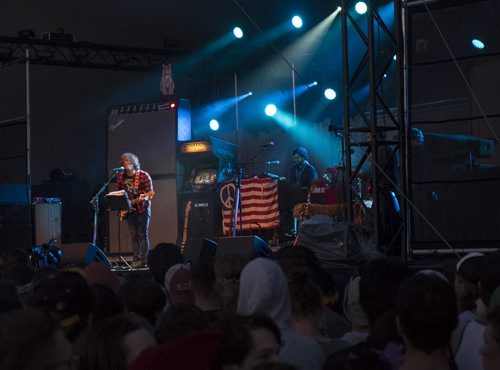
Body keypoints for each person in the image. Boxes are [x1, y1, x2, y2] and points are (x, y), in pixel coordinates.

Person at [115, 152, 154, 268]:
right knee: (133, 236)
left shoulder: (143, 175)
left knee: (142, 235)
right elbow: (118, 192)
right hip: (129, 210)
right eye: (124, 161)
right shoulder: (121, 176)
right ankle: (136, 260)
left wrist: (143, 198)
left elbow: (150, 193)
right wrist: (122, 207)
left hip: (142, 209)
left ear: (133, 162)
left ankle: (144, 260)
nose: (125, 163)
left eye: (128, 161)